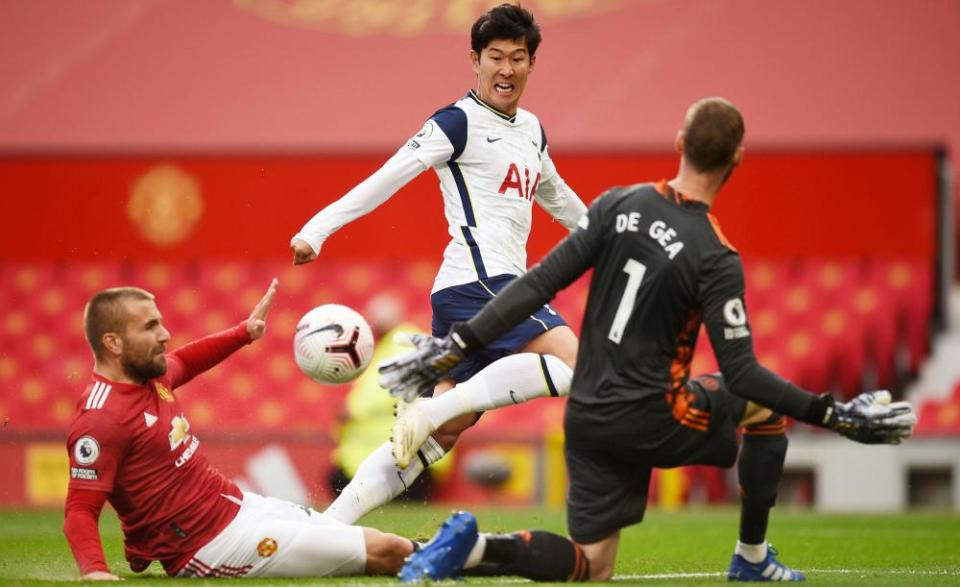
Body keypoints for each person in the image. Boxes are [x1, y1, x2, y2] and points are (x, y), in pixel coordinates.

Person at [379, 97, 917, 582]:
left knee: (591, 567)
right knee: (761, 409)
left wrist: (456, 346)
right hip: (654, 413)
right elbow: (743, 373)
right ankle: (751, 560)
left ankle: (475, 548)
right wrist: (833, 414)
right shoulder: (716, 256)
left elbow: (537, 283)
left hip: (588, 414)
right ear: (737, 161)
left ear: (680, 145)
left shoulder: (617, 206)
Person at [290, 3, 585, 524]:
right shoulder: (457, 121)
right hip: (480, 282)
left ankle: (327, 526)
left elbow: (558, 197)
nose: (507, 69)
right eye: (495, 57)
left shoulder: (533, 131)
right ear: (475, 60)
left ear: (531, 64)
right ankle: (432, 406)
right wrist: (318, 228)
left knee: (437, 437)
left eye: (518, 58)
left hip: (479, 291)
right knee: (575, 364)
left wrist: (612, 238)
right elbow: (390, 174)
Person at [63, 280, 418, 580]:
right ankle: (459, 556)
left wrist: (243, 333)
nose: (164, 334)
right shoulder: (100, 418)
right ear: (113, 343)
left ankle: (468, 552)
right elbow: (80, 508)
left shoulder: (151, 377)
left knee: (372, 540)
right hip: (205, 545)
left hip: (236, 507)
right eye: (150, 326)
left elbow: (186, 360)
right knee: (384, 550)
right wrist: (94, 569)